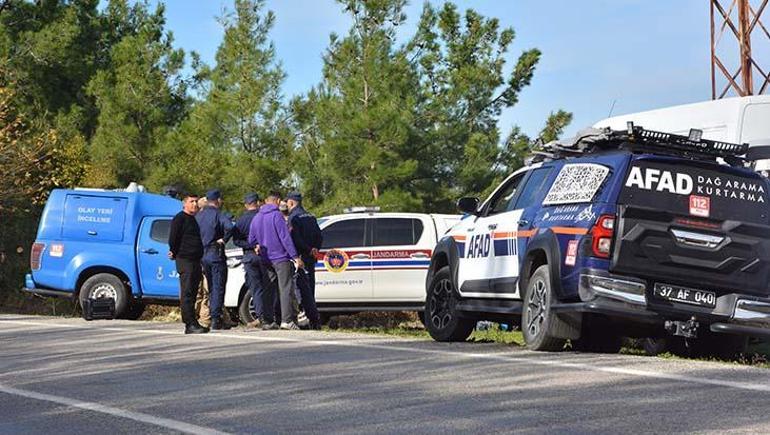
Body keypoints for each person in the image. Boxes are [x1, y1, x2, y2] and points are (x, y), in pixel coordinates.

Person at [249, 191, 303, 330]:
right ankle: (286, 320)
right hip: (280, 257)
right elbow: (285, 237)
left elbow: (251, 239)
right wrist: (295, 257)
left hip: (265, 258)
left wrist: (257, 246)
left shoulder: (257, 217)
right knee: (285, 288)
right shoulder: (277, 215)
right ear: (278, 201)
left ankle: (267, 320)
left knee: (268, 289)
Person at [168, 193, 208, 334]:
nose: (195, 204)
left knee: (193, 292)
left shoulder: (192, 219)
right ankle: (189, 323)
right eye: (191, 201)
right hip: (185, 260)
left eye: (196, 201)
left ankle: (194, 321)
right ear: (184, 203)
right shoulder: (180, 219)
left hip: (195, 260)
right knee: (187, 293)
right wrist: (173, 251)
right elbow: (173, 238)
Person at [195, 189, 233, 330]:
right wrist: (224, 239)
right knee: (218, 286)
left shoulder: (199, 215)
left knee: (210, 287)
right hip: (215, 253)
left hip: (202, 254)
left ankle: (212, 315)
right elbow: (229, 226)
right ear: (217, 200)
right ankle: (216, 318)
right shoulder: (218, 214)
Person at [286, 191, 323, 330]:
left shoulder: (294, 218)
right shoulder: (311, 216)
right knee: (310, 287)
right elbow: (319, 236)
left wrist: (306, 249)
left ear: (291, 203)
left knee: (301, 290)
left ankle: (308, 319)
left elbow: (295, 239)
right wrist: (315, 248)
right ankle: (314, 321)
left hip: (301, 257)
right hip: (311, 257)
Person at [232, 193, 265, 327]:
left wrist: (250, 245)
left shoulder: (241, 221)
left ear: (246, 205)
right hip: (265, 255)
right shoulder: (263, 217)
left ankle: (261, 316)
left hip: (249, 256)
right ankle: (269, 316)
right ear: (257, 203)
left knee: (255, 288)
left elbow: (236, 241)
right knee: (268, 287)